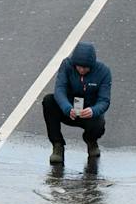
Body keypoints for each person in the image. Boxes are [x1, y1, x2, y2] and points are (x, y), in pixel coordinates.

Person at [42, 40, 112, 169]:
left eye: (85, 68)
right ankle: (57, 146)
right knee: (49, 101)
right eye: (78, 67)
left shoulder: (104, 72)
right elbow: (59, 89)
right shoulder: (66, 65)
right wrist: (67, 107)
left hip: (89, 114)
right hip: (69, 110)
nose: (81, 70)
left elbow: (104, 101)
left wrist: (93, 110)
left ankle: (91, 141)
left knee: (99, 124)